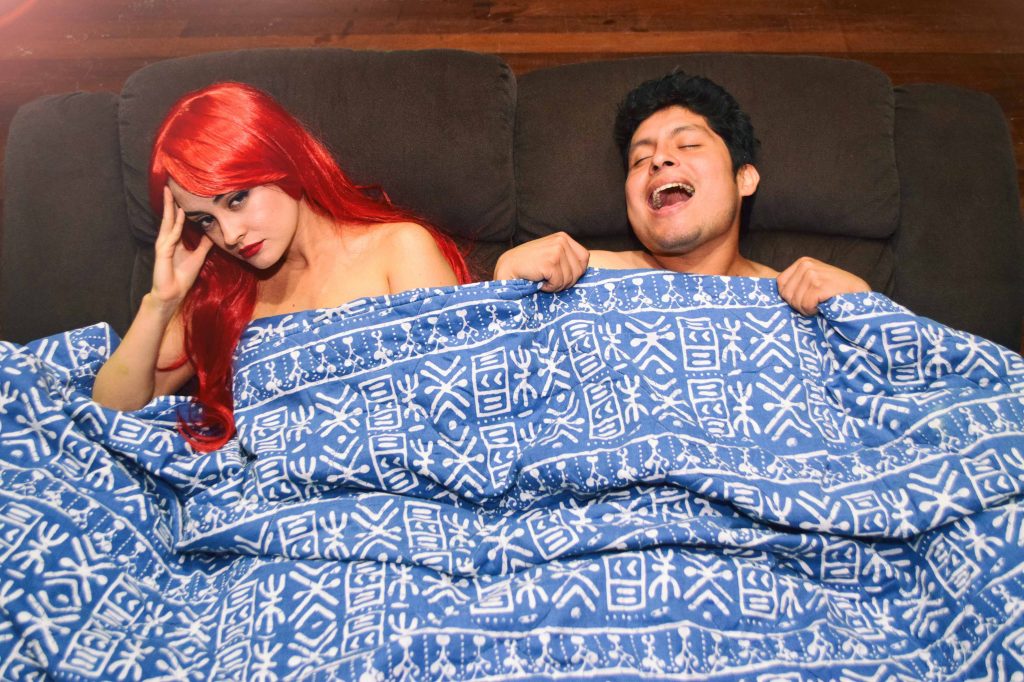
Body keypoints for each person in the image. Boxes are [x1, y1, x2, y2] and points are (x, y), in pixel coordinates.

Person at [92, 82, 471, 451]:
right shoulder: (220, 294)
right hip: (266, 485)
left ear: (283, 161)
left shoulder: (399, 248)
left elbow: (457, 405)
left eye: (236, 200)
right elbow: (110, 413)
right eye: (205, 220)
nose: (230, 235)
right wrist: (160, 302)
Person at [493, 70, 870, 313]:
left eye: (688, 145)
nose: (659, 160)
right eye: (640, 159)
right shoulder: (568, 279)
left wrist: (864, 312)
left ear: (744, 179)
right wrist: (506, 285)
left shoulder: (804, 300)